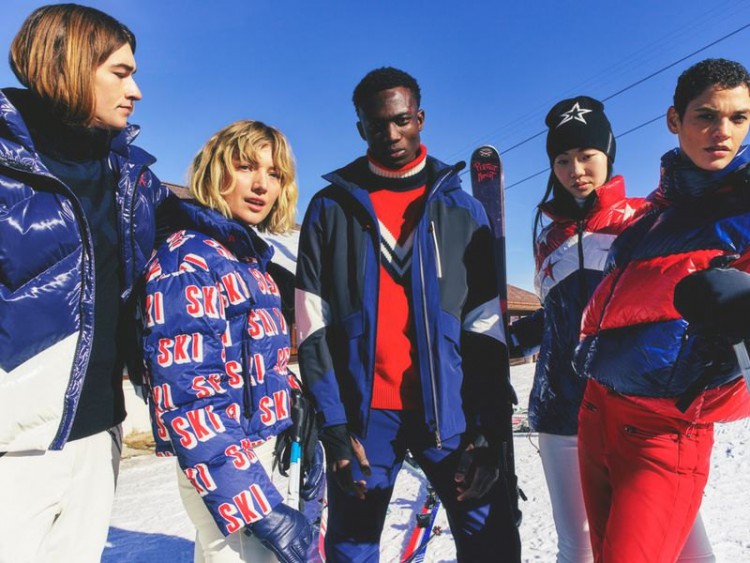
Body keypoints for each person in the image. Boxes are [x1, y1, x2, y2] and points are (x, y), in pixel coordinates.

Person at [295, 66, 521, 562]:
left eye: (402, 120)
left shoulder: (462, 211)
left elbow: (485, 327)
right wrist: (333, 423)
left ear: (420, 118)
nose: (392, 134)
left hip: (451, 414)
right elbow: (312, 326)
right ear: (361, 128)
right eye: (377, 125)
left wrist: (487, 426)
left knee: (493, 543)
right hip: (364, 419)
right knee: (352, 550)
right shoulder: (330, 209)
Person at [512, 96, 715, 563]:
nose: (576, 170)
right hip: (562, 411)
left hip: (640, 411)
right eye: (563, 160)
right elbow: (560, 316)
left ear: (608, 153)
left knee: (685, 544)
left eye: (587, 155)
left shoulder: (645, 219)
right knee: (578, 546)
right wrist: (506, 339)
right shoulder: (548, 238)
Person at [0, 5, 169, 561]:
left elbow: (200, 221)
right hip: (14, 445)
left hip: (100, 433)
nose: (136, 91)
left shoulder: (129, 175)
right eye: (120, 73)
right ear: (67, 65)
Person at [575, 58, 750, 563]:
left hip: (663, 432)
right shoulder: (651, 214)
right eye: (706, 116)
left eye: (739, 117)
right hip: (596, 408)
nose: (723, 131)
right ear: (674, 120)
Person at [141, 120, 313, 563]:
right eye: (245, 167)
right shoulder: (189, 258)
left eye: (274, 174)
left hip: (253, 455)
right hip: (226, 470)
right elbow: (190, 397)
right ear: (215, 171)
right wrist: (260, 509)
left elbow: (249, 362)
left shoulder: (245, 259)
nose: (261, 185)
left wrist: (287, 398)